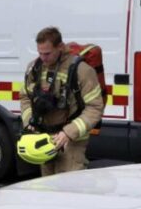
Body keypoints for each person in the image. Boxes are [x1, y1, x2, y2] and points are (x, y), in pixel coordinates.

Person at [19, 27, 104, 175]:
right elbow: (25, 96)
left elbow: (95, 107)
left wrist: (68, 132)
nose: (43, 58)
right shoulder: (34, 68)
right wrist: (29, 122)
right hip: (44, 137)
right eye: (39, 53)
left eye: (47, 53)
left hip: (72, 140)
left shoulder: (82, 70)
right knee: (47, 184)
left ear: (60, 47)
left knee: (69, 185)